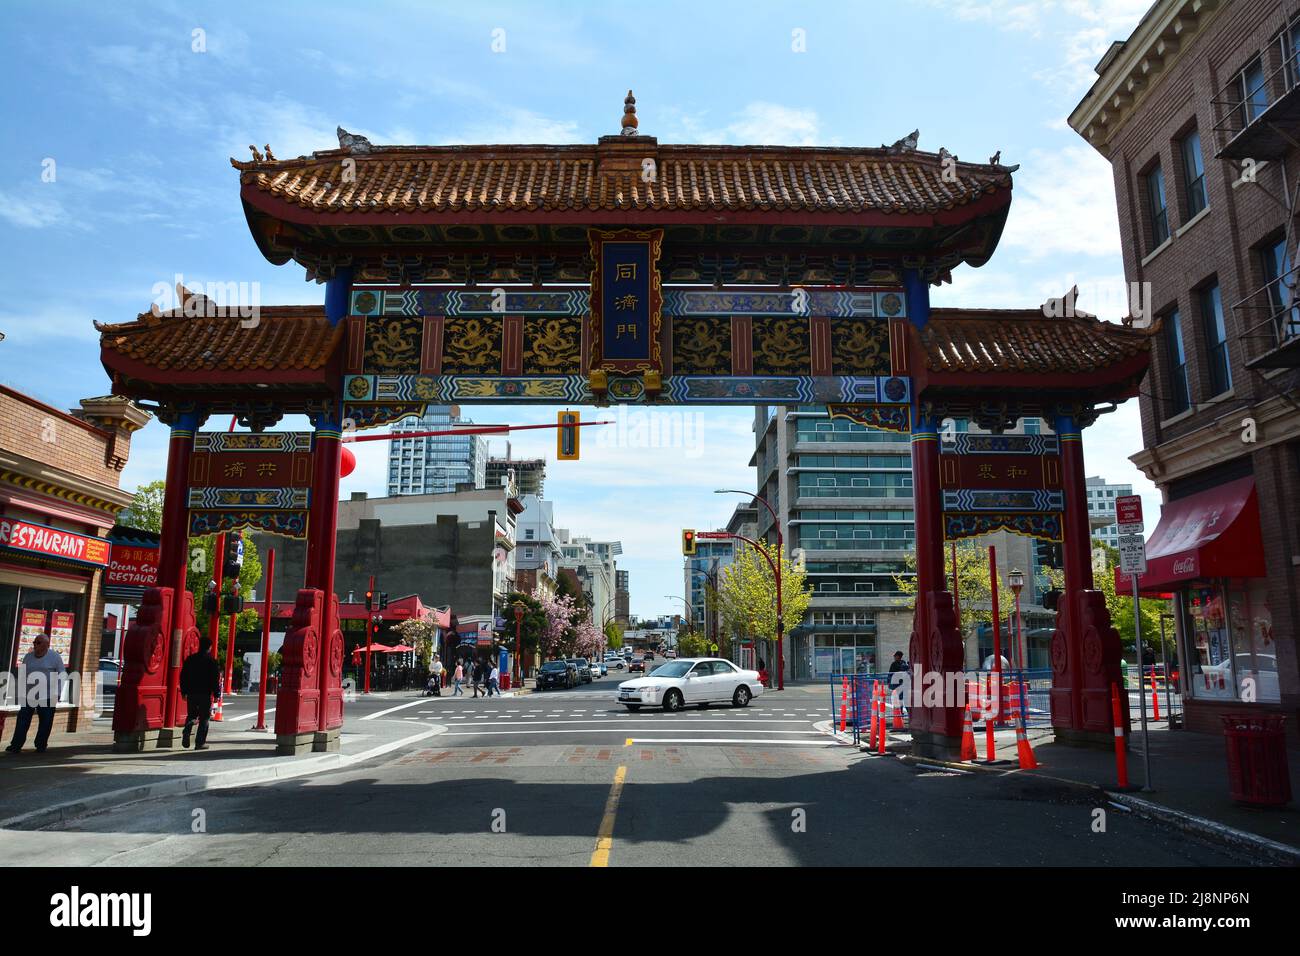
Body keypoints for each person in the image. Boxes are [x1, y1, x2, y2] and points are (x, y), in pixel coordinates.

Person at [5, 633, 65, 754]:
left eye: (38, 642)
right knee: (22, 719)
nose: (35, 645)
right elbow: (22, 675)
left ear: (46, 645)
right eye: (34, 642)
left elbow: (62, 675)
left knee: (46, 721)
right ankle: (16, 745)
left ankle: (40, 745)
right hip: (29, 694)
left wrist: (58, 693)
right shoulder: (28, 657)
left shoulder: (54, 657)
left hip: (48, 695)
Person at [179, 638, 221, 750]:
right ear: (210, 647)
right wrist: (217, 694)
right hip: (205, 693)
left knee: (192, 715)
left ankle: (187, 728)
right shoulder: (212, 661)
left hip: (192, 692)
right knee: (204, 718)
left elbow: (183, 676)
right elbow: (214, 679)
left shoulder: (190, 659)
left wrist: (184, 691)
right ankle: (200, 743)